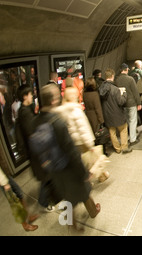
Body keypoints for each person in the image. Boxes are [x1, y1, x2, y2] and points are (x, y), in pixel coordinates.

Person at [35, 84, 100, 230]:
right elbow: (71, 151)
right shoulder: (57, 122)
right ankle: (93, 211)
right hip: (69, 167)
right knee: (83, 190)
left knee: (67, 196)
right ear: (53, 101)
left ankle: (72, 224)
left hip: (53, 169)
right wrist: (83, 172)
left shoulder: (37, 121)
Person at [53, 87, 109, 184]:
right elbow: (82, 129)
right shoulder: (76, 110)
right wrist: (90, 143)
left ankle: (100, 176)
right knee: (91, 160)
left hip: (74, 141)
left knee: (85, 161)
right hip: (82, 141)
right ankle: (93, 179)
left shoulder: (63, 111)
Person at [15, 84, 56, 212]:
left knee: (47, 176)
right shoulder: (25, 112)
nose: (32, 96)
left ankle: (47, 200)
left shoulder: (25, 110)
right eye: (30, 94)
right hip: (37, 151)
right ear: (24, 96)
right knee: (45, 177)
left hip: (37, 151)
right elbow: (32, 133)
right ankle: (44, 203)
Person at [0, 141, 39, 231]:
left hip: (3, 174)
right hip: (0, 176)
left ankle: (28, 217)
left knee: (19, 194)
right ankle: (25, 225)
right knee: (14, 201)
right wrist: (4, 182)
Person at [99, 68, 130, 154]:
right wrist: (124, 94)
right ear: (112, 76)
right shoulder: (115, 89)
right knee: (123, 129)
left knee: (112, 132)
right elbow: (121, 102)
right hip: (117, 114)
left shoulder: (101, 88)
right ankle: (124, 147)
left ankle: (117, 148)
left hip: (107, 115)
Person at [115, 63, 142, 147]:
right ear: (126, 69)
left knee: (127, 121)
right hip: (131, 103)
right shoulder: (130, 79)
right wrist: (139, 103)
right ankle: (133, 139)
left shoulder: (117, 80)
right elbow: (135, 92)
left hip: (122, 104)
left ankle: (127, 136)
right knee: (133, 120)